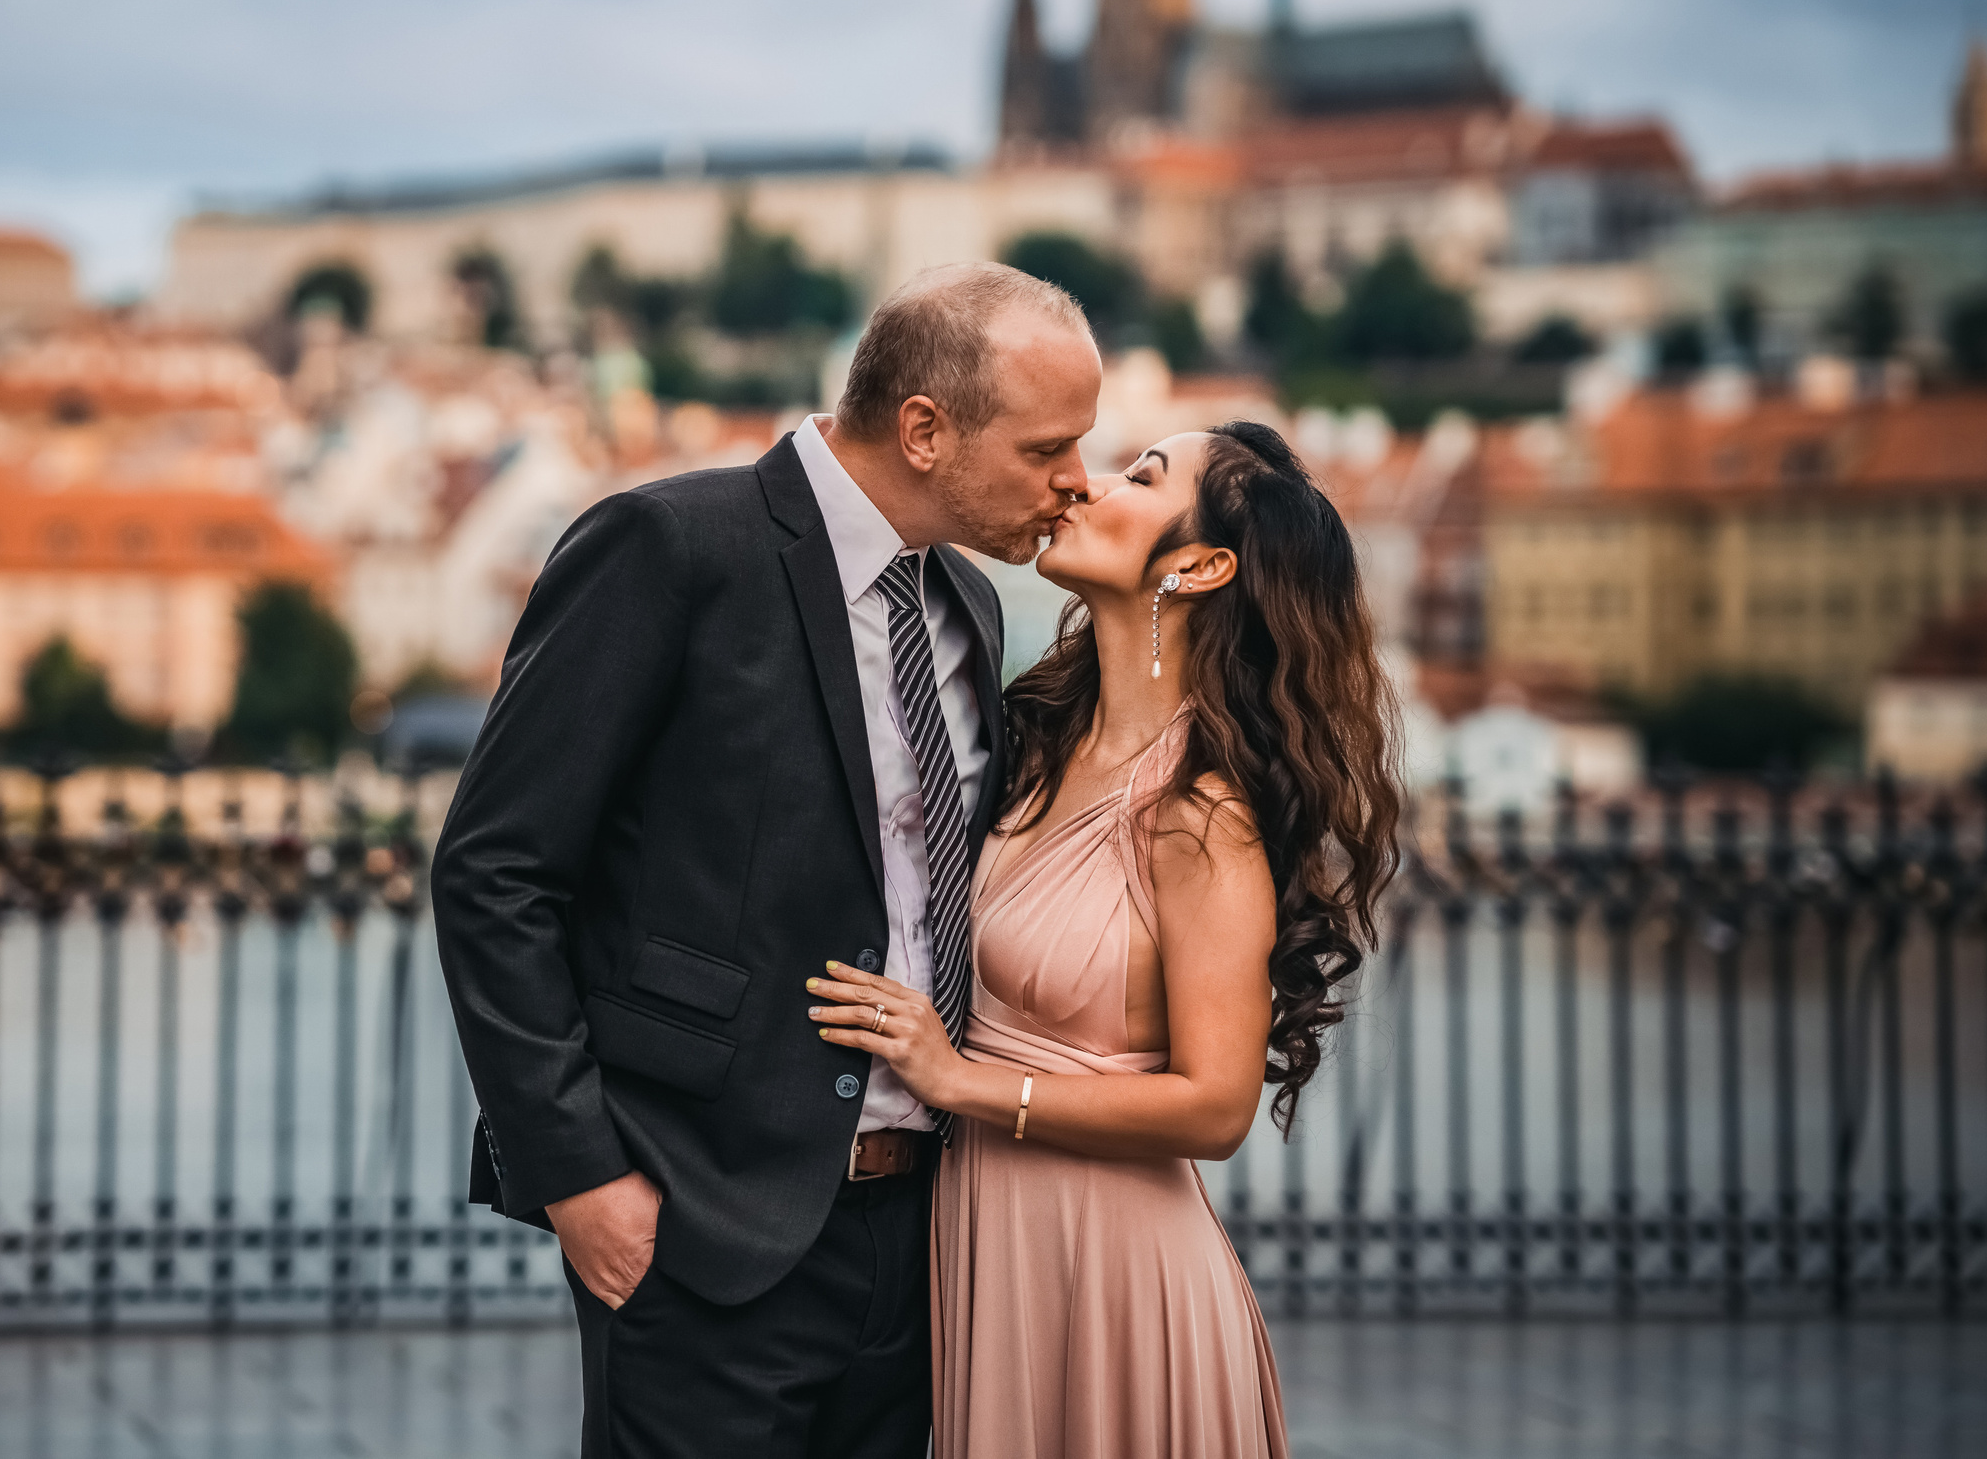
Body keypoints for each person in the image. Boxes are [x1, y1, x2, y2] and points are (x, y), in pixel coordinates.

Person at [432, 263, 1102, 1459]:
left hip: (923, 1235)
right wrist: (582, 1179)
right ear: (925, 429)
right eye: (1048, 447)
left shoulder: (967, 602)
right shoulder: (669, 548)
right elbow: (494, 872)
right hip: (700, 1226)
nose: (1076, 481)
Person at [808, 420, 1401, 1458]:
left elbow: (1215, 1107)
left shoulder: (1199, 809)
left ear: (1202, 564)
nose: (1083, 486)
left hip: (1116, 1264)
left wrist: (960, 1081)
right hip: (991, 1241)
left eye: (1142, 474)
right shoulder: (1035, 743)